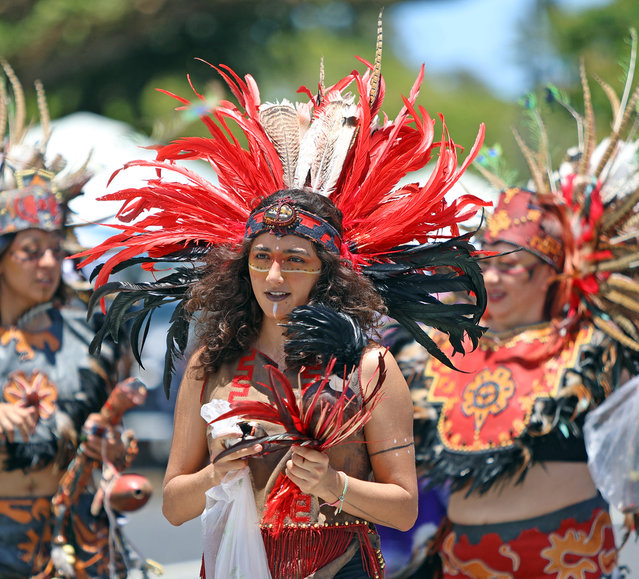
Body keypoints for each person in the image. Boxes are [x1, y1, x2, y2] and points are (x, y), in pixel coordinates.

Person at [77, 20, 489, 579]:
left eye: (295, 259)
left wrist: (333, 484)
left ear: (327, 273)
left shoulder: (370, 369)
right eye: (261, 256)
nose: (274, 272)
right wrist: (218, 475)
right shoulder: (210, 364)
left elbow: (404, 507)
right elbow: (173, 504)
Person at [416, 51, 639, 578]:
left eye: (510, 266)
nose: (490, 278)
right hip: (462, 561)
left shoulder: (595, 349)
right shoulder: (440, 353)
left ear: (551, 274)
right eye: (483, 265)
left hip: (568, 559)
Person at [0, 62, 148, 578]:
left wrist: (109, 448)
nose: (46, 263)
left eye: (52, 249)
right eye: (28, 250)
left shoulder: (92, 333)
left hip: (75, 536)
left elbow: (115, 439)